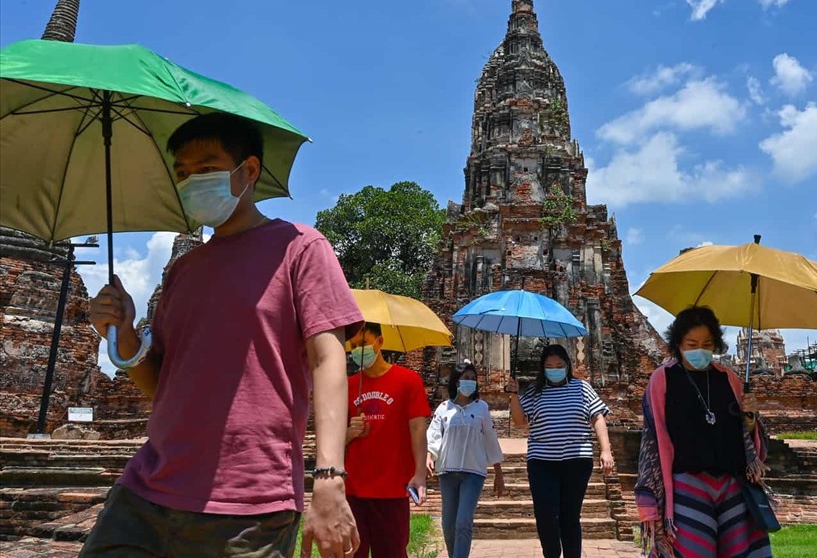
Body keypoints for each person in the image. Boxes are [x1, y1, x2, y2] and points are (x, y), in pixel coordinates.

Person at [82, 112, 364, 558]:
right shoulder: (182, 270)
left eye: (207, 169)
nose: (192, 181)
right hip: (148, 487)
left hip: (250, 498)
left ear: (248, 171)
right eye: (182, 173)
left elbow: (327, 359)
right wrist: (124, 335)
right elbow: (163, 383)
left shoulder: (300, 248)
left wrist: (329, 477)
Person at [634, 306, 772, 558]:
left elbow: (748, 437)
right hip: (686, 481)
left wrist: (751, 417)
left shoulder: (728, 379)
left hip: (732, 482)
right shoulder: (663, 380)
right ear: (678, 344)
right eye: (692, 343)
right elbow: (653, 439)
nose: (700, 349)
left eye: (707, 343)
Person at [506, 344, 615, 558]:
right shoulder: (535, 391)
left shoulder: (582, 388)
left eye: (559, 365)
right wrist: (514, 395)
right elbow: (520, 422)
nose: (554, 369)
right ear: (542, 368)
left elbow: (598, 417)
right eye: (549, 366)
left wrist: (606, 450)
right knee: (545, 515)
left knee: (569, 516)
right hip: (542, 462)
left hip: (577, 460)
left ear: (567, 366)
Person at [344, 322, 432, 558]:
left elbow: (417, 428)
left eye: (363, 343)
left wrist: (419, 473)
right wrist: (350, 433)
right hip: (353, 489)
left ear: (380, 342)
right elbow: (331, 438)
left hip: (392, 489)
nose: (358, 350)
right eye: (353, 346)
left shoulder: (408, 381)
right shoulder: (347, 386)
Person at [427, 361, 506, 558]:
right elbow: (434, 435)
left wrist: (498, 472)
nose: (469, 382)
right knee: (448, 523)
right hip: (447, 471)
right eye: (465, 379)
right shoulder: (444, 408)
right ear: (456, 381)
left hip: (473, 472)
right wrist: (429, 456)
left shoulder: (481, 408)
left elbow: (490, 438)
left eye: (473, 379)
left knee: (463, 521)